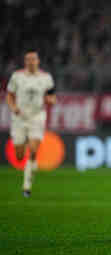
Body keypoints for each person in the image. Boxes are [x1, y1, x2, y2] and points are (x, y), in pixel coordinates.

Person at [6, 49, 56, 197]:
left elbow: (52, 97)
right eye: (28, 59)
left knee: (33, 150)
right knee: (19, 156)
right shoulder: (17, 76)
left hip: (37, 116)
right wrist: (13, 107)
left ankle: (26, 187)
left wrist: (50, 101)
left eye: (33, 59)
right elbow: (9, 95)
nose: (31, 62)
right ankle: (30, 165)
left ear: (38, 61)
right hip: (19, 118)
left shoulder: (46, 78)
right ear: (25, 61)